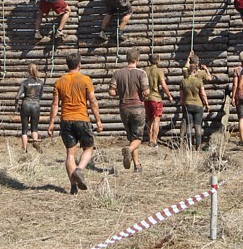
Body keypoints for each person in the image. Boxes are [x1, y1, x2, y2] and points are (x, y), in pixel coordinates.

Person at [48, 53, 103, 195]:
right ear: (79, 65)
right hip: (82, 119)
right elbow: (93, 101)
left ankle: (73, 187)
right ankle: (79, 170)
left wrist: (51, 123)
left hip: (66, 120)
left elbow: (55, 104)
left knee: (70, 154)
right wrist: (98, 120)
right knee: (89, 148)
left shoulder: (59, 81)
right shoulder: (85, 80)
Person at [109, 48, 150, 171]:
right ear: (137, 59)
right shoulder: (141, 73)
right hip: (137, 107)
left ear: (127, 58)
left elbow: (111, 92)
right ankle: (129, 149)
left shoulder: (117, 73)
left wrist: (121, 92)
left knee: (132, 137)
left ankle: (137, 165)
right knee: (138, 138)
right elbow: (146, 91)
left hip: (124, 108)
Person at [144, 54, 173, 148]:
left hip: (146, 98)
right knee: (157, 119)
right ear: (158, 60)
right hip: (156, 98)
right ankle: (154, 140)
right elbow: (163, 85)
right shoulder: (159, 71)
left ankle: (149, 140)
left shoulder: (145, 70)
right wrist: (169, 95)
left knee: (149, 119)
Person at [180, 61, 210, 150]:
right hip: (198, 105)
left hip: (187, 105)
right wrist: (207, 104)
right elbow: (203, 94)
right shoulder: (199, 81)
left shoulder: (183, 81)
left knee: (189, 125)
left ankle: (189, 145)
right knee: (198, 125)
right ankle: (198, 145)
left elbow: (181, 95)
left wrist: (182, 103)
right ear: (194, 71)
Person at [15, 63, 44, 153]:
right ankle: (35, 141)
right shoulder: (40, 83)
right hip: (36, 105)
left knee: (24, 129)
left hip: (26, 105)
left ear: (28, 71)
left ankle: (25, 148)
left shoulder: (25, 82)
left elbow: (17, 97)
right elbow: (40, 96)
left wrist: (16, 106)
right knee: (34, 127)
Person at [232, 51, 243, 143]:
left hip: (240, 95)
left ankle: (242, 138)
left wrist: (233, 97)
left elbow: (235, 85)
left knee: (241, 117)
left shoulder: (237, 70)